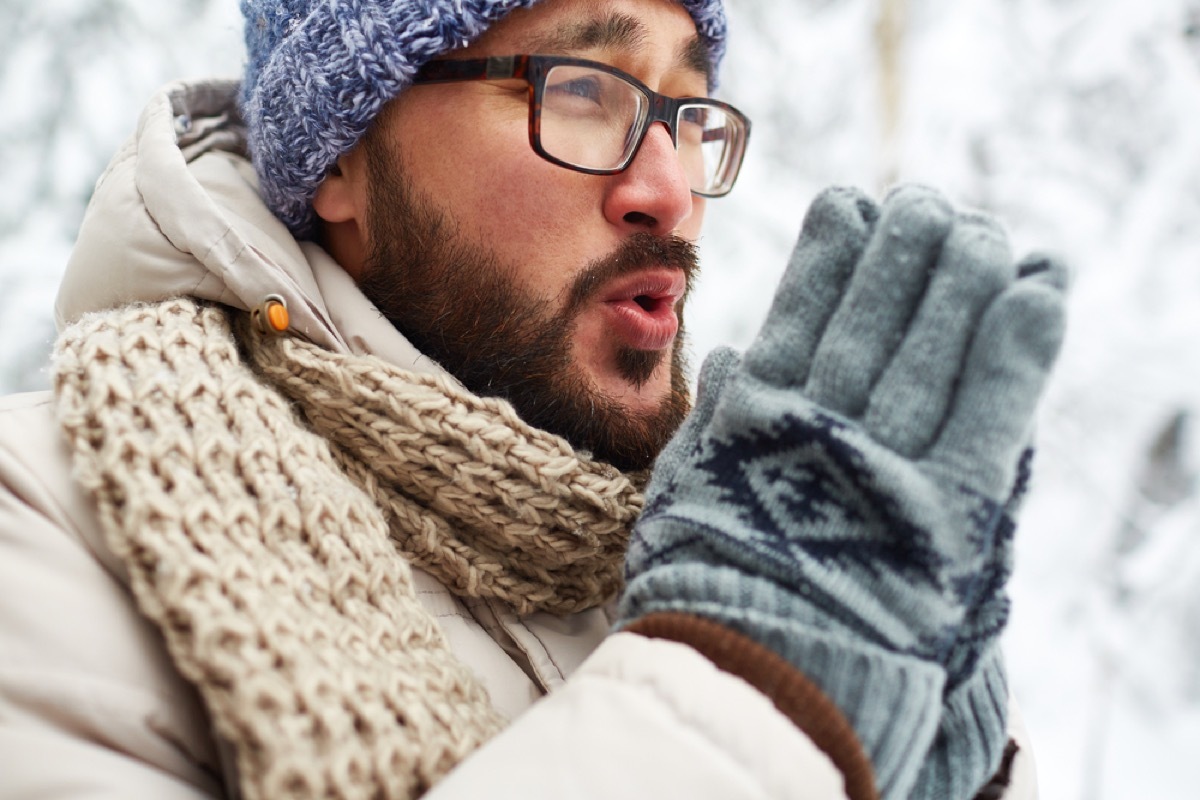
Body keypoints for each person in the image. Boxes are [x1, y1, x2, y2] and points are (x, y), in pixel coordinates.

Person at [0, 0, 1066, 798]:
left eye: (685, 114)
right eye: (585, 92)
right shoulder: (43, 530)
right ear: (343, 156)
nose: (669, 190)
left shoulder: (704, 530)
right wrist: (750, 689)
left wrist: (916, 762)